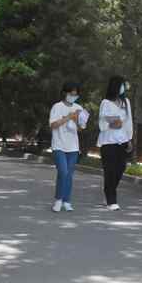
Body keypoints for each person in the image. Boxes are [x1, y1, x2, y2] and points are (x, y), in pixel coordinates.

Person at [49, 82, 87, 212]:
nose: (73, 96)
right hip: (59, 145)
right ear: (65, 93)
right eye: (71, 94)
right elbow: (53, 125)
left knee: (69, 174)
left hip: (73, 147)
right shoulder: (57, 107)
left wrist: (76, 119)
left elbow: (81, 128)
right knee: (63, 172)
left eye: (76, 95)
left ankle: (67, 201)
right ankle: (58, 200)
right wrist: (68, 117)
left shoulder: (79, 108)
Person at [98, 75, 133, 210]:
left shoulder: (126, 102)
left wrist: (129, 139)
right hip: (108, 142)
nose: (123, 87)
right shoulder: (105, 103)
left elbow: (128, 122)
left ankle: (108, 192)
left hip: (122, 140)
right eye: (121, 85)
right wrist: (112, 124)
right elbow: (102, 123)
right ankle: (111, 200)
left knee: (120, 169)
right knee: (110, 171)